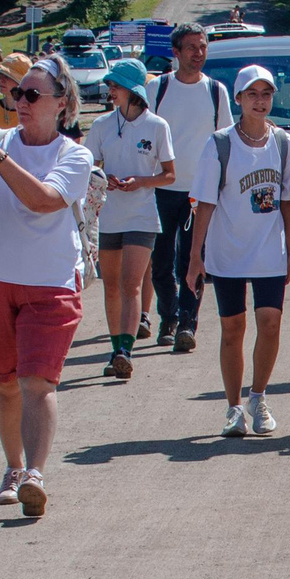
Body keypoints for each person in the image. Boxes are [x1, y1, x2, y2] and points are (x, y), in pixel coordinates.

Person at [0, 56, 94, 516]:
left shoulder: (74, 154)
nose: (21, 101)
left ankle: (35, 475)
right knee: (4, 385)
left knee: (37, 381)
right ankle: (13, 469)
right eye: (17, 93)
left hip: (50, 283)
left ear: (62, 104)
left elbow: (43, 201)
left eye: (32, 95)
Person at [187, 65, 290, 438]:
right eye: (252, 94)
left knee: (270, 323)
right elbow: (204, 202)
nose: (260, 101)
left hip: (268, 250)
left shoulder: (284, 144)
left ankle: (258, 396)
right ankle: (233, 408)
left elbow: (287, 202)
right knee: (232, 328)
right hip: (228, 250)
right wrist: (195, 256)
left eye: (266, 94)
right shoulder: (219, 144)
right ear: (238, 99)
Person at [84, 58, 177, 381]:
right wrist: (103, 177)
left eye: (116, 85)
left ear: (133, 90)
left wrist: (141, 182)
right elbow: (88, 168)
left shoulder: (157, 126)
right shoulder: (100, 126)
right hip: (108, 216)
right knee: (111, 286)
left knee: (130, 283)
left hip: (141, 216)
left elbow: (169, 174)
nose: (110, 90)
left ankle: (125, 350)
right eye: (110, 85)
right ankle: (115, 348)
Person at [145, 22, 231, 352]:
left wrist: (222, 186)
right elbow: (146, 131)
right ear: (176, 53)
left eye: (203, 46)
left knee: (192, 261)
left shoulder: (216, 91)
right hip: (163, 189)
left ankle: (187, 323)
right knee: (161, 262)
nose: (199, 53)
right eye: (192, 48)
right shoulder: (158, 89)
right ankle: (167, 317)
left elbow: (225, 141)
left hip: (200, 194)